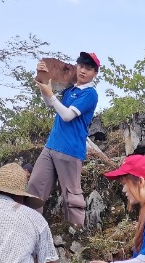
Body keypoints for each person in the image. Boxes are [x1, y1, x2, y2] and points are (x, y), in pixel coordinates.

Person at [27, 51, 100, 226]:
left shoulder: (90, 94)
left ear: (95, 73)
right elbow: (48, 102)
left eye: (89, 69)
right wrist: (44, 80)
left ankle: (77, 235)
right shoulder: (70, 89)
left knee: (72, 196)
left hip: (71, 150)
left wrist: (51, 95)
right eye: (81, 66)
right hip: (51, 145)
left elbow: (67, 115)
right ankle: (28, 228)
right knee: (34, 188)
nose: (83, 71)